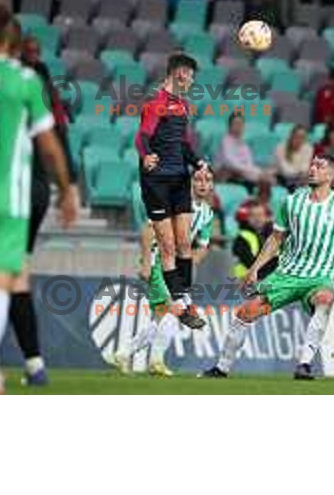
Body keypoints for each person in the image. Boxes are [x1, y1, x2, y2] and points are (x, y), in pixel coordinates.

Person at [0, 0, 77, 394]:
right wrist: (68, 188)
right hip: (7, 197)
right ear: (10, 35)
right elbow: (48, 143)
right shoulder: (25, 81)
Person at [202, 153, 334, 380]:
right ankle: (221, 368)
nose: (312, 168)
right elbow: (275, 239)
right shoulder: (292, 202)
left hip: (321, 276)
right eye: (312, 164)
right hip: (287, 273)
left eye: (319, 166)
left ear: (331, 175)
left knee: (325, 299)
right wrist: (255, 269)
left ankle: (304, 365)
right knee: (244, 313)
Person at [5, 22, 79, 386]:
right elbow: (58, 140)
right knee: (13, 273)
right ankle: (32, 365)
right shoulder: (44, 92)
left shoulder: (10, 84)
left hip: (7, 189)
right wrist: (69, 187)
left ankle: (20, 363)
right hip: (34, 192)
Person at [116, 168, 215, 376]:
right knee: (174, 310)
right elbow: (148, 229)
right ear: (189, 183)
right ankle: (156, 361)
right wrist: (145, 263)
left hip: (176, 268)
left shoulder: (207, 213)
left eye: (207, 180)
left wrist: (189, 266)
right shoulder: (174, 203)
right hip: (158, 261)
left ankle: (125, 352)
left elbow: (203, 246)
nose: (203, 184)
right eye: (198, 179)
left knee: (163, 316)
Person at [135, 53, 210, 330]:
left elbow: (184, 144)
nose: (191, 80)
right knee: (166, 246)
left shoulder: (183, 106)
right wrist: (145, 156)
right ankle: (181, 304)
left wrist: (199, 163)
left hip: (179, 179)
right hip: (156, 181)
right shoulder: (156, 104)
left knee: (184, 244)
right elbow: (142, 137)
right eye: (190, 75)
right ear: (179, 74)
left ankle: (184, 299)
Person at [214, 114, 275, 187]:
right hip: (226, 176)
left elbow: (249, 164)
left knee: (269, 179)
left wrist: (260, 172)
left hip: (243, 174)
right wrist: (259, 173)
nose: (238, 127)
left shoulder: (244, 144)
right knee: (263, 180)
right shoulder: (225, 142)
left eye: (241, 124)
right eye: (236, 124)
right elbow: (232, 164)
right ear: (229, 126)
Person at [231, 201, 278, 280]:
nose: (257, 218)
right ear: (248, 218)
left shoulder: (272, 236)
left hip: (263, 279)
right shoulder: (242, 237)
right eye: (253, 216)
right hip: (244, 280)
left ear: (267, 218)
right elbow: (250, 262)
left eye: (260, 215)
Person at [274, 124, 313, 189]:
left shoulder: (308, 148)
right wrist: (299, 172)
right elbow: (286, 171)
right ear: (291, 136)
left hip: (299, 179)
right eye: (297, 136)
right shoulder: (280, 148)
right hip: (280, 178)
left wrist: (300, 173)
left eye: (302, 137)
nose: (299, 140)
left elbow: (305, 168)